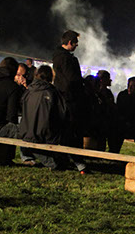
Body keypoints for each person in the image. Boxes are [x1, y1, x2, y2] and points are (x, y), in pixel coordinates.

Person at [52, 29, 88, 172]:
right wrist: (81, 85)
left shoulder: (58, 56)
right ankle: (75, 159)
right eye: (75, 42)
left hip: (64, 97)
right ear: (69, 42)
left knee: (65, 130)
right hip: (69, 98)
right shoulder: (66, 58)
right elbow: (71, 79)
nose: (77, 45)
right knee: (71, 130)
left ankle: (64, 159)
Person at [19, 65, 68, 168]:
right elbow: (62, 114)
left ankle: (28, 157)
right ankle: (55, 162)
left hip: (26, 132)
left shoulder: (28, 91)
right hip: (45, 134)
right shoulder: (52, 92)